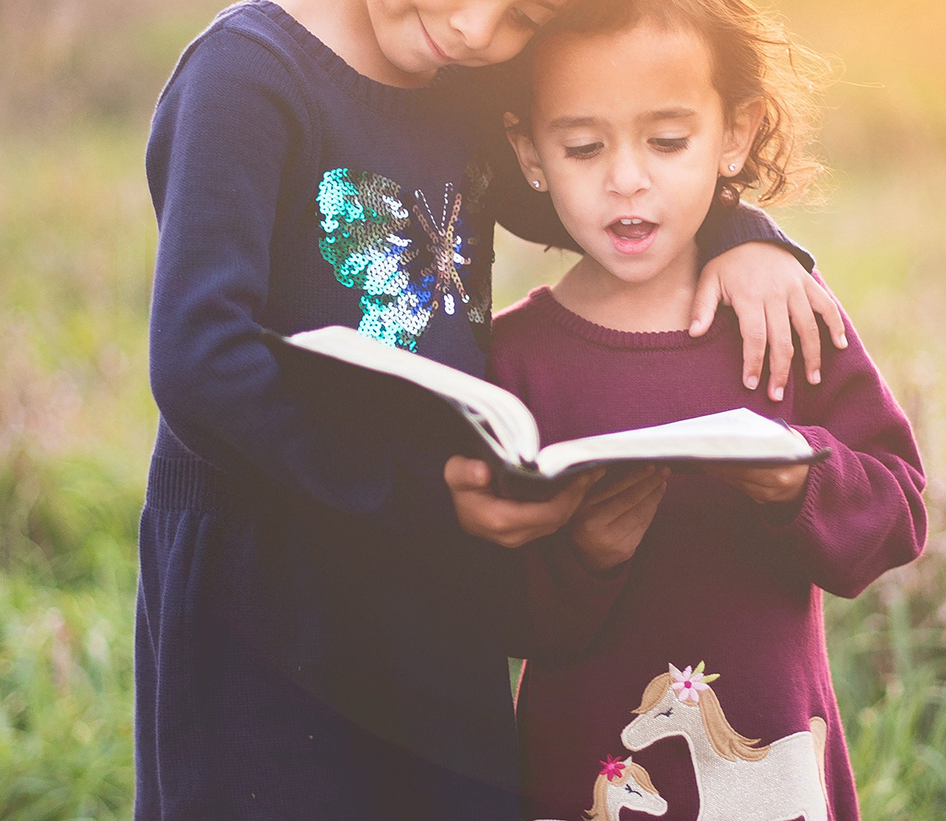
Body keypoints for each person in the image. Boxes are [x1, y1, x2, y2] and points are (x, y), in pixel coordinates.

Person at [135, 0, 846, 818]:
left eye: (523, 16)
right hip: (265, 585)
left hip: (436, 573)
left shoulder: (463, 86)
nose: (476, 31)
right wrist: (424, 488)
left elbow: (607, 202)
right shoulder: (246, 78)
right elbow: (200, 362)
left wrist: (744, 235)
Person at [491, 1, 928, 819]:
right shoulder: (513, 359)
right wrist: (581, 553)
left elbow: (898, 510)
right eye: (584, 146)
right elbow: (490, 611)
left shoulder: (782, 314)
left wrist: (798, 479)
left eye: (667, 140)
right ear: (530, 152)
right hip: (585, 770)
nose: (627, 178)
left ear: (735, 131)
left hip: (768, 767)